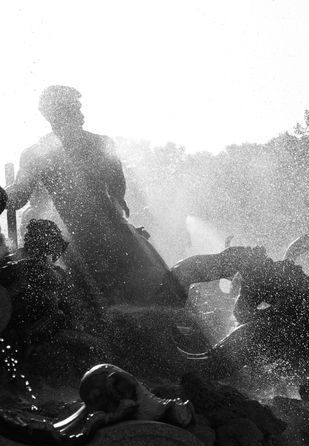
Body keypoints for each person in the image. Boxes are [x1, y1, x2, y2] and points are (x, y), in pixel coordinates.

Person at [3, 86, 183, 305]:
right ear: (53, 114)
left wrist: (127, 224)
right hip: (83, 243)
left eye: (78, 108)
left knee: (162, 298)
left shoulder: (100, 144)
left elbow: (118, 196)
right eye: (73, 109)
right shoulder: (37, 154)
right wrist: (3, 195)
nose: (81, 114)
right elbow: (19, 194)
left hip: (115, 237)